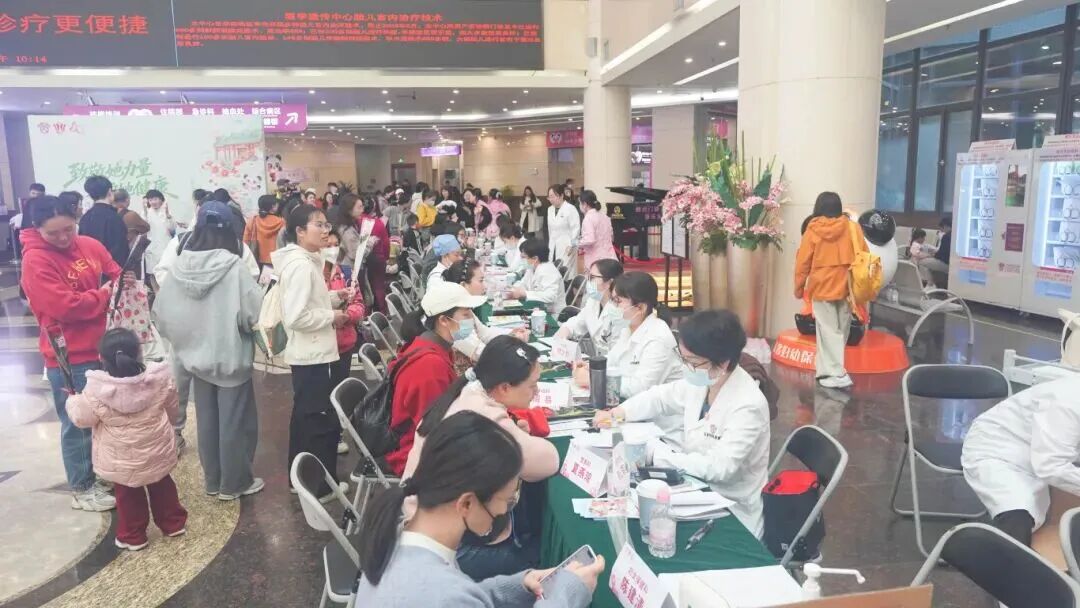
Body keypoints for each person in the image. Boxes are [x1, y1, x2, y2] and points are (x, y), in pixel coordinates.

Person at [356, 411, 602, 607]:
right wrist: (567, 593)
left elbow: (460, 597)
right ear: (466, 503)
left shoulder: (396, 539)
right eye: (507, 501)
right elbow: (449, 598)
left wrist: (520, 585)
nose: (503, 512)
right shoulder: (441, 592)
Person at [592, 310, 770, 538]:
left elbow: (720, 468)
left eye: (693, 361)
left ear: (723, 363)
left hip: (731, 509)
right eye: (683, 358)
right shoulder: (703, 380)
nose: (686, 366)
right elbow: (659, 398)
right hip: (692, 488)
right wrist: (620, 413)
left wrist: (659, 456)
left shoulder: (748, 405)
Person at [405, 337, 558, 579]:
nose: (536, 392)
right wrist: (514, 436)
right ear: (504, 388)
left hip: (421, 523)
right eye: (532, 385)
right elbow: (548, 461)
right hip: (450, 546)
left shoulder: (469, 391)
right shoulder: (485, 415)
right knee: (538, 558)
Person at [153, 201, 264, 501]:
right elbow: (253, 315)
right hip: (230, 358)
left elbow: (162, 314)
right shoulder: (235, 268)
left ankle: (213, 481)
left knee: (207, 423)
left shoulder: (179, 265)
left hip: (196, 361)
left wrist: (189, 341)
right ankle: (234, 484)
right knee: (235, 424)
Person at [22, 196, 122, 511]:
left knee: (103, 418)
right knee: (77, 423)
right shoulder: (35, 260)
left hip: (102, 346)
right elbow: (65, 307)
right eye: (53, 233)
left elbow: (117, 274)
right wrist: (103, 295)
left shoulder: (89, 245)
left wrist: (120, 283)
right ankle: (82, 486)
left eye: (69, 228)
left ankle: (99, 473)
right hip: (68, 355)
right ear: (37, 228)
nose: (64, 238)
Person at [66, 328, 187, 551]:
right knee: (162, 485)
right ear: (139, 353)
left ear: (101, 358)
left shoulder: (96, 390)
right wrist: (168, 425)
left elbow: (82, 419)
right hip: (156, 450)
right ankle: (173, 523)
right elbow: (172, 408)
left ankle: (133, 536)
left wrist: (73, 401)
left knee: (128, 495)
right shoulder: (158, 380)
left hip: (120, 459)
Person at [271, 205, 353, 500]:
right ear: (300, 232)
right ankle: (319, 488)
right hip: (313, 356)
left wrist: (334, 297)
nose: (325, 230)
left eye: (326, 224)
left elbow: (309, 302)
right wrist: (333, 316)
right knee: (319, 422)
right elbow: (296, 316)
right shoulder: (302, 266)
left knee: (305, 420)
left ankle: (300, 481)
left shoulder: (305, 260)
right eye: (318, 225)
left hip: (310, 354)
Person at [962, 376, 1080, 546]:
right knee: (1018, 513)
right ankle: (999, 559)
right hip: (999, 450)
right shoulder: (1067, 402)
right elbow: (1051, 467)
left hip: (1043, 453)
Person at [384, 281, 486, 476]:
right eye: (466, 314)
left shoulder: (433, 346)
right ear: (444, 320)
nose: (472, 320)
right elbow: (434, 428)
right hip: (417, 453)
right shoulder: (429, 366)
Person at [572, 272, 682, 412]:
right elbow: (612, 360)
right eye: (612, 300)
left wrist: (595, 381)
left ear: (641, 308)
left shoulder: (658, 338)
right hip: (628, 407)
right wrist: (592, 368)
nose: (612, 306)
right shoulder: (628, 327)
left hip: (659, 418)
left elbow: (642, 388)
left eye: (618, 301)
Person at [794, 192, 866, 389]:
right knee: (841, 329)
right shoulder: (852, 228)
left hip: (821, 287)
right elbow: (864, 255)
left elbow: (802, 263)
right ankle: (828, 370)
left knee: (828, 330)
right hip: (846, 286)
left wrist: (799, 288)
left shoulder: (813, 229)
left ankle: (836, 373)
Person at [443, 260, 530, 360]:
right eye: (480, 281)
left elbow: (484, 333)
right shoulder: (455, 315)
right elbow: (482, 354)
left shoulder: (464, 309)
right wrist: (512, 343)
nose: (485, 286)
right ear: (463, 285)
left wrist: (511, 333)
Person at [321, 229, 366, 392]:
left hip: (344, 344)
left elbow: (359, 303)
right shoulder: (312, 275)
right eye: (328, 246)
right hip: (320, 345)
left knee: (339, 388)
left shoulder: (347, 273)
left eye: (336, 245)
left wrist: (348, 315)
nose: (332, 250)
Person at [555, 259, 624, 354]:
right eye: (588, 276)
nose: (588, 281)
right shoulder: (593, 300)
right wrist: (565, 331)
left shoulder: (621, 311)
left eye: (592, 277)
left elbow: (617, 353)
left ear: (609, 283)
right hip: (596, 358)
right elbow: (578, 322)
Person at [79, 175, 130, 266]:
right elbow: (121, 250)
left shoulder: (85, 218)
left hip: (90, 269)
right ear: (110, 191)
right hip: (111, 270)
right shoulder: (114, 218)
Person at [508, 238, 565, 314]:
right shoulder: (532, 267)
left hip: (552, 313)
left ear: (535, 258)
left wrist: (525, 293)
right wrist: (512, 289)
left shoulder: (548, 271)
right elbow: (523, 283)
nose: (521, 260)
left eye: (524, 257)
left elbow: (550, 296)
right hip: (537, 308)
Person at [577, 189, 617, 271]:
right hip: (610, 256)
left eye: (580, 203)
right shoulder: (605, 216)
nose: (579, 206)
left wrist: (578, 243)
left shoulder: (588, 218)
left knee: (595, 279)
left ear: (585, 204)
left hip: (595, 260)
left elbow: (590, 240)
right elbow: (612, 237)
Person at [244, 194, 285, 270]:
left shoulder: (253, 220)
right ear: (273, 207)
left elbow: (245, 240)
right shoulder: (281, 222)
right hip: (276, 259)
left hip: (257, 259)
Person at [546, 183, 580, 270]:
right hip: (553, 245)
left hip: (567, 246)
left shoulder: (570, 209)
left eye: (553, 196)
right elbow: (550, 229)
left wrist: (571, 245)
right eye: (549, 197)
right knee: (553, 269)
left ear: (561, 196)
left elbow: (575, 229)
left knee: (565, 270)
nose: (551, 199)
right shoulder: (550, 209)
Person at [143, 189, 177, 273]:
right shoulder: (146, 212)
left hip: (165, 245)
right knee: (152, 272)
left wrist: (168, 216)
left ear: (161, 199)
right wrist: (145, 212)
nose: (153, 202)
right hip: (152, 247)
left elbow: (172, 228)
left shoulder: (167, 211)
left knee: (166, 271)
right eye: (150, 200)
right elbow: (144, 228)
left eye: (155, 199)